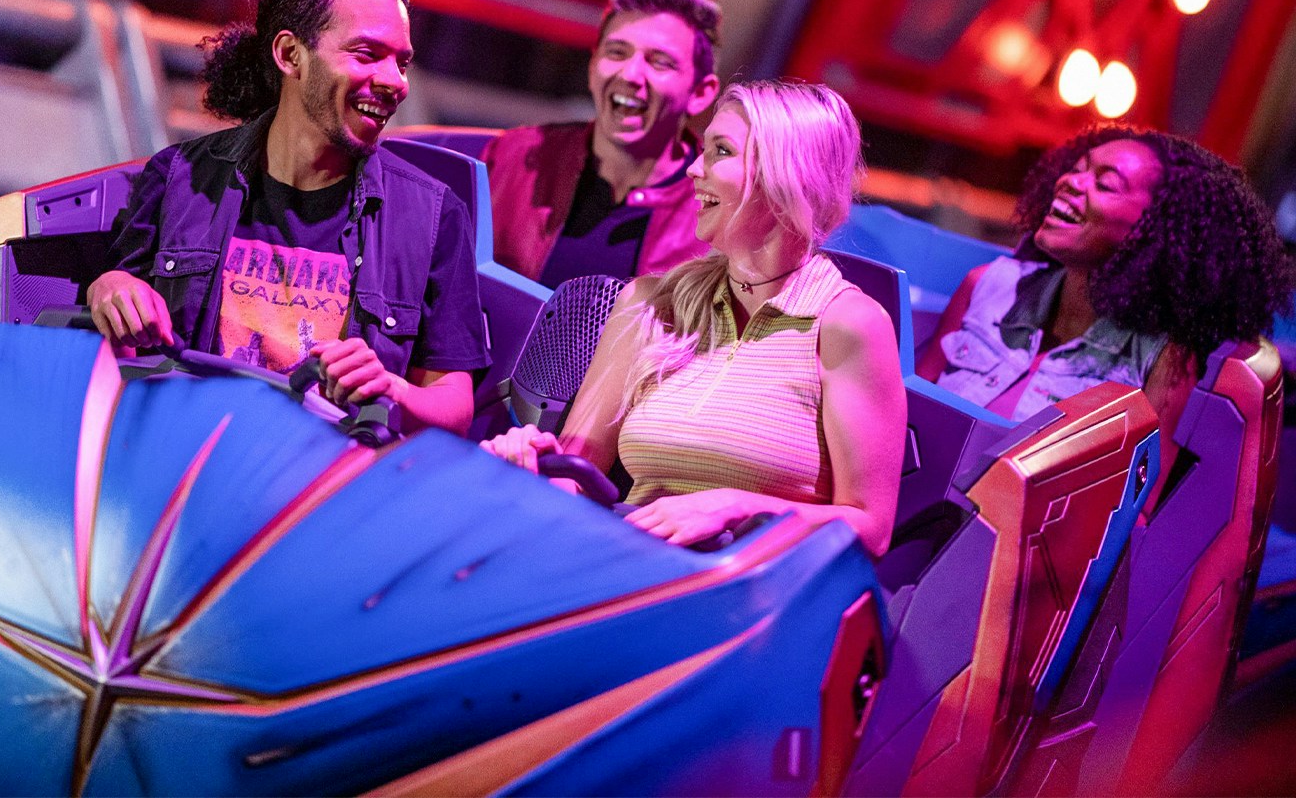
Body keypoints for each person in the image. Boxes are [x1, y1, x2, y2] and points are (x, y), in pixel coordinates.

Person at [483, 81, 906, 556]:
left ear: (787, 174)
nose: (693, 169)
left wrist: (733, 506)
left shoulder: (848, 324)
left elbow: (870, 528)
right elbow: (577, 476)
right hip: (627, 566)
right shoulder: (649, 300)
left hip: (754, 593)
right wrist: (533, 464)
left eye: (720, 151)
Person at [89, 0, 490, 434]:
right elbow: (114, 320)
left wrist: (393, 390)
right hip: (184, 450)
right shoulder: (178, 177)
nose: (394, 82)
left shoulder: (433, 215)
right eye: (367, 54)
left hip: (328, 484)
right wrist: (108, 285)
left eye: (401, 62)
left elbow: (456, 408)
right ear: (290, 55)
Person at [916, 125, 1293, 449]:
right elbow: (909, 408)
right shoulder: (986, 284)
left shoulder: (1163, 358)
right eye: (1076, 170)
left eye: (1105, 183)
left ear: (1155, 228)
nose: (1069, 182)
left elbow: (1138, 509)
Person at [481, 0, 722, 288]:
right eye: (617, 52)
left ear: (700, 93)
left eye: (660, 61)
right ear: (593, 66)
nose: (631, 74)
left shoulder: (721, 208)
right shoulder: (515, 157)